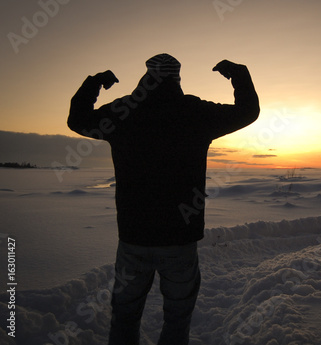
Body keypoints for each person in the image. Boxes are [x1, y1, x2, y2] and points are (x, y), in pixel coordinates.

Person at [67, 53, 259, 345]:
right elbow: (247, 112)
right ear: (177, 78)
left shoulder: (122, 112)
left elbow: (77, 119)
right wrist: (239, 74)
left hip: (134, 237)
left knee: (125, 315)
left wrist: (95, 84)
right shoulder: (195, 112)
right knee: (178, 317)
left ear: (147, 76)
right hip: (180, 238)